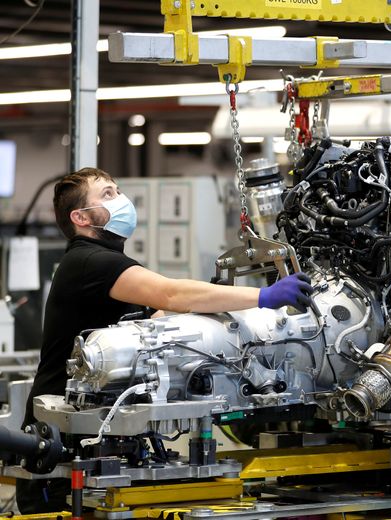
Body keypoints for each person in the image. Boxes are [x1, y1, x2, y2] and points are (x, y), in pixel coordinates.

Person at [18, 167, 314, 513]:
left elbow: (156, 320)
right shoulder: (88, 261)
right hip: (61, 446)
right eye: (108, 194)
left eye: (118, 189)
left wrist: (216, 306)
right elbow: (170, 294)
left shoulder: (107, 262)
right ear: (81, 217)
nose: (121, 199)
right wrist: (262, 296)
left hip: (97, 439)